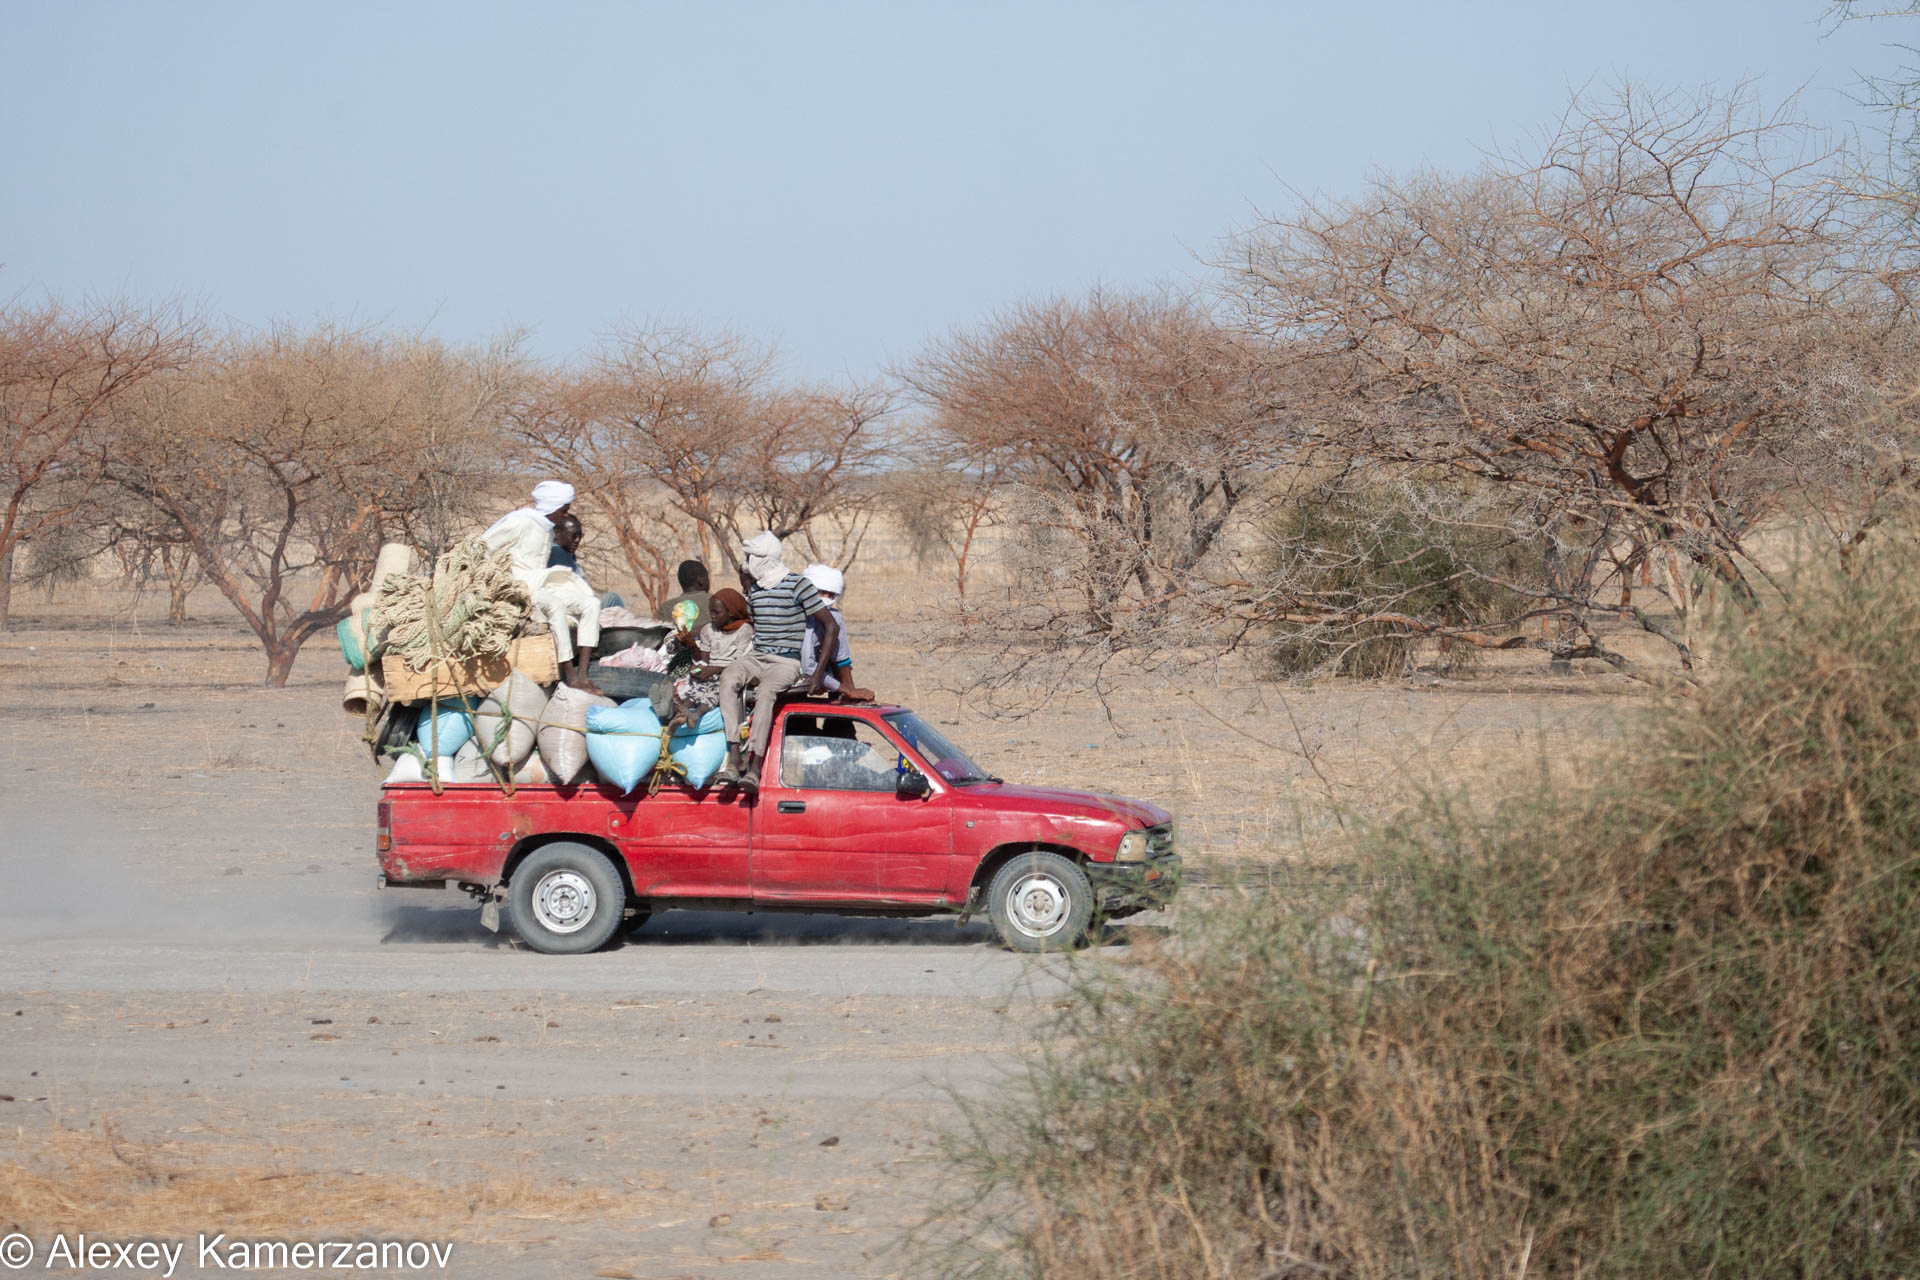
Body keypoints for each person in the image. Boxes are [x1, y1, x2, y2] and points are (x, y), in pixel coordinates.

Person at [713, 532, 839, 791]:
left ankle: (755, 767)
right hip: (757, 656)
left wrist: (816, 675)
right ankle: (734, 755)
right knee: (728, 678)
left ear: (765, 559)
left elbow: (831, 626)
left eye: (751, 557)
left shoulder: (797, 585)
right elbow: (749, 621)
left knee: (767, 692)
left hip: (786, 661)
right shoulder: (756, 590)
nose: (748, 562)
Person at [532, 513, 605, 695]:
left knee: (593, 604)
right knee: (603, 601)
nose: (577, 540)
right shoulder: (557, 552)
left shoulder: (566, 553)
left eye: (580, 536)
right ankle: (576, 674)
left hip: (569, 596)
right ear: (557, 534)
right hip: (551, 594)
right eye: (573, 535)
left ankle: (581, 675)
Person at [666, 587, 753, 731]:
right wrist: (697, 663)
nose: (712, 616)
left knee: (715, 691)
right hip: (710, 673)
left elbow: (741, 664)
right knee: (696, 687)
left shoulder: (744, 631)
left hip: (731, 675)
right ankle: (682, 711)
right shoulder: (708, 630)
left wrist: (715, 670)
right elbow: (704, 661)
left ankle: (696, 715)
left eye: (716, 613)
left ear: (731, 612)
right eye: (710, 612)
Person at [481, 480, 574, 593]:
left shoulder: (548, 531)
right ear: (551, 508)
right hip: (513, 586)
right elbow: (483, 548)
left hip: (537, 585)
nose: (565, 515)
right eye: (563, 511)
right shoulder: (520, 522)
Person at [800, 564, 875, 703]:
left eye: (832, 595)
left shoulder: (834, 616)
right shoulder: (803, 617)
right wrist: (846, 690)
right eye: (822, 592)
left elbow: (841, 657)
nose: (828, 598)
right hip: (795, 674)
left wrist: (850, 690)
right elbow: (807, 667)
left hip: (819, 672)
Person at [656, 560, 711, 634]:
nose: (708, 581)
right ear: (700, 579)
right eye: (707, 578)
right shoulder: (717, 602)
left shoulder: (665, 608)